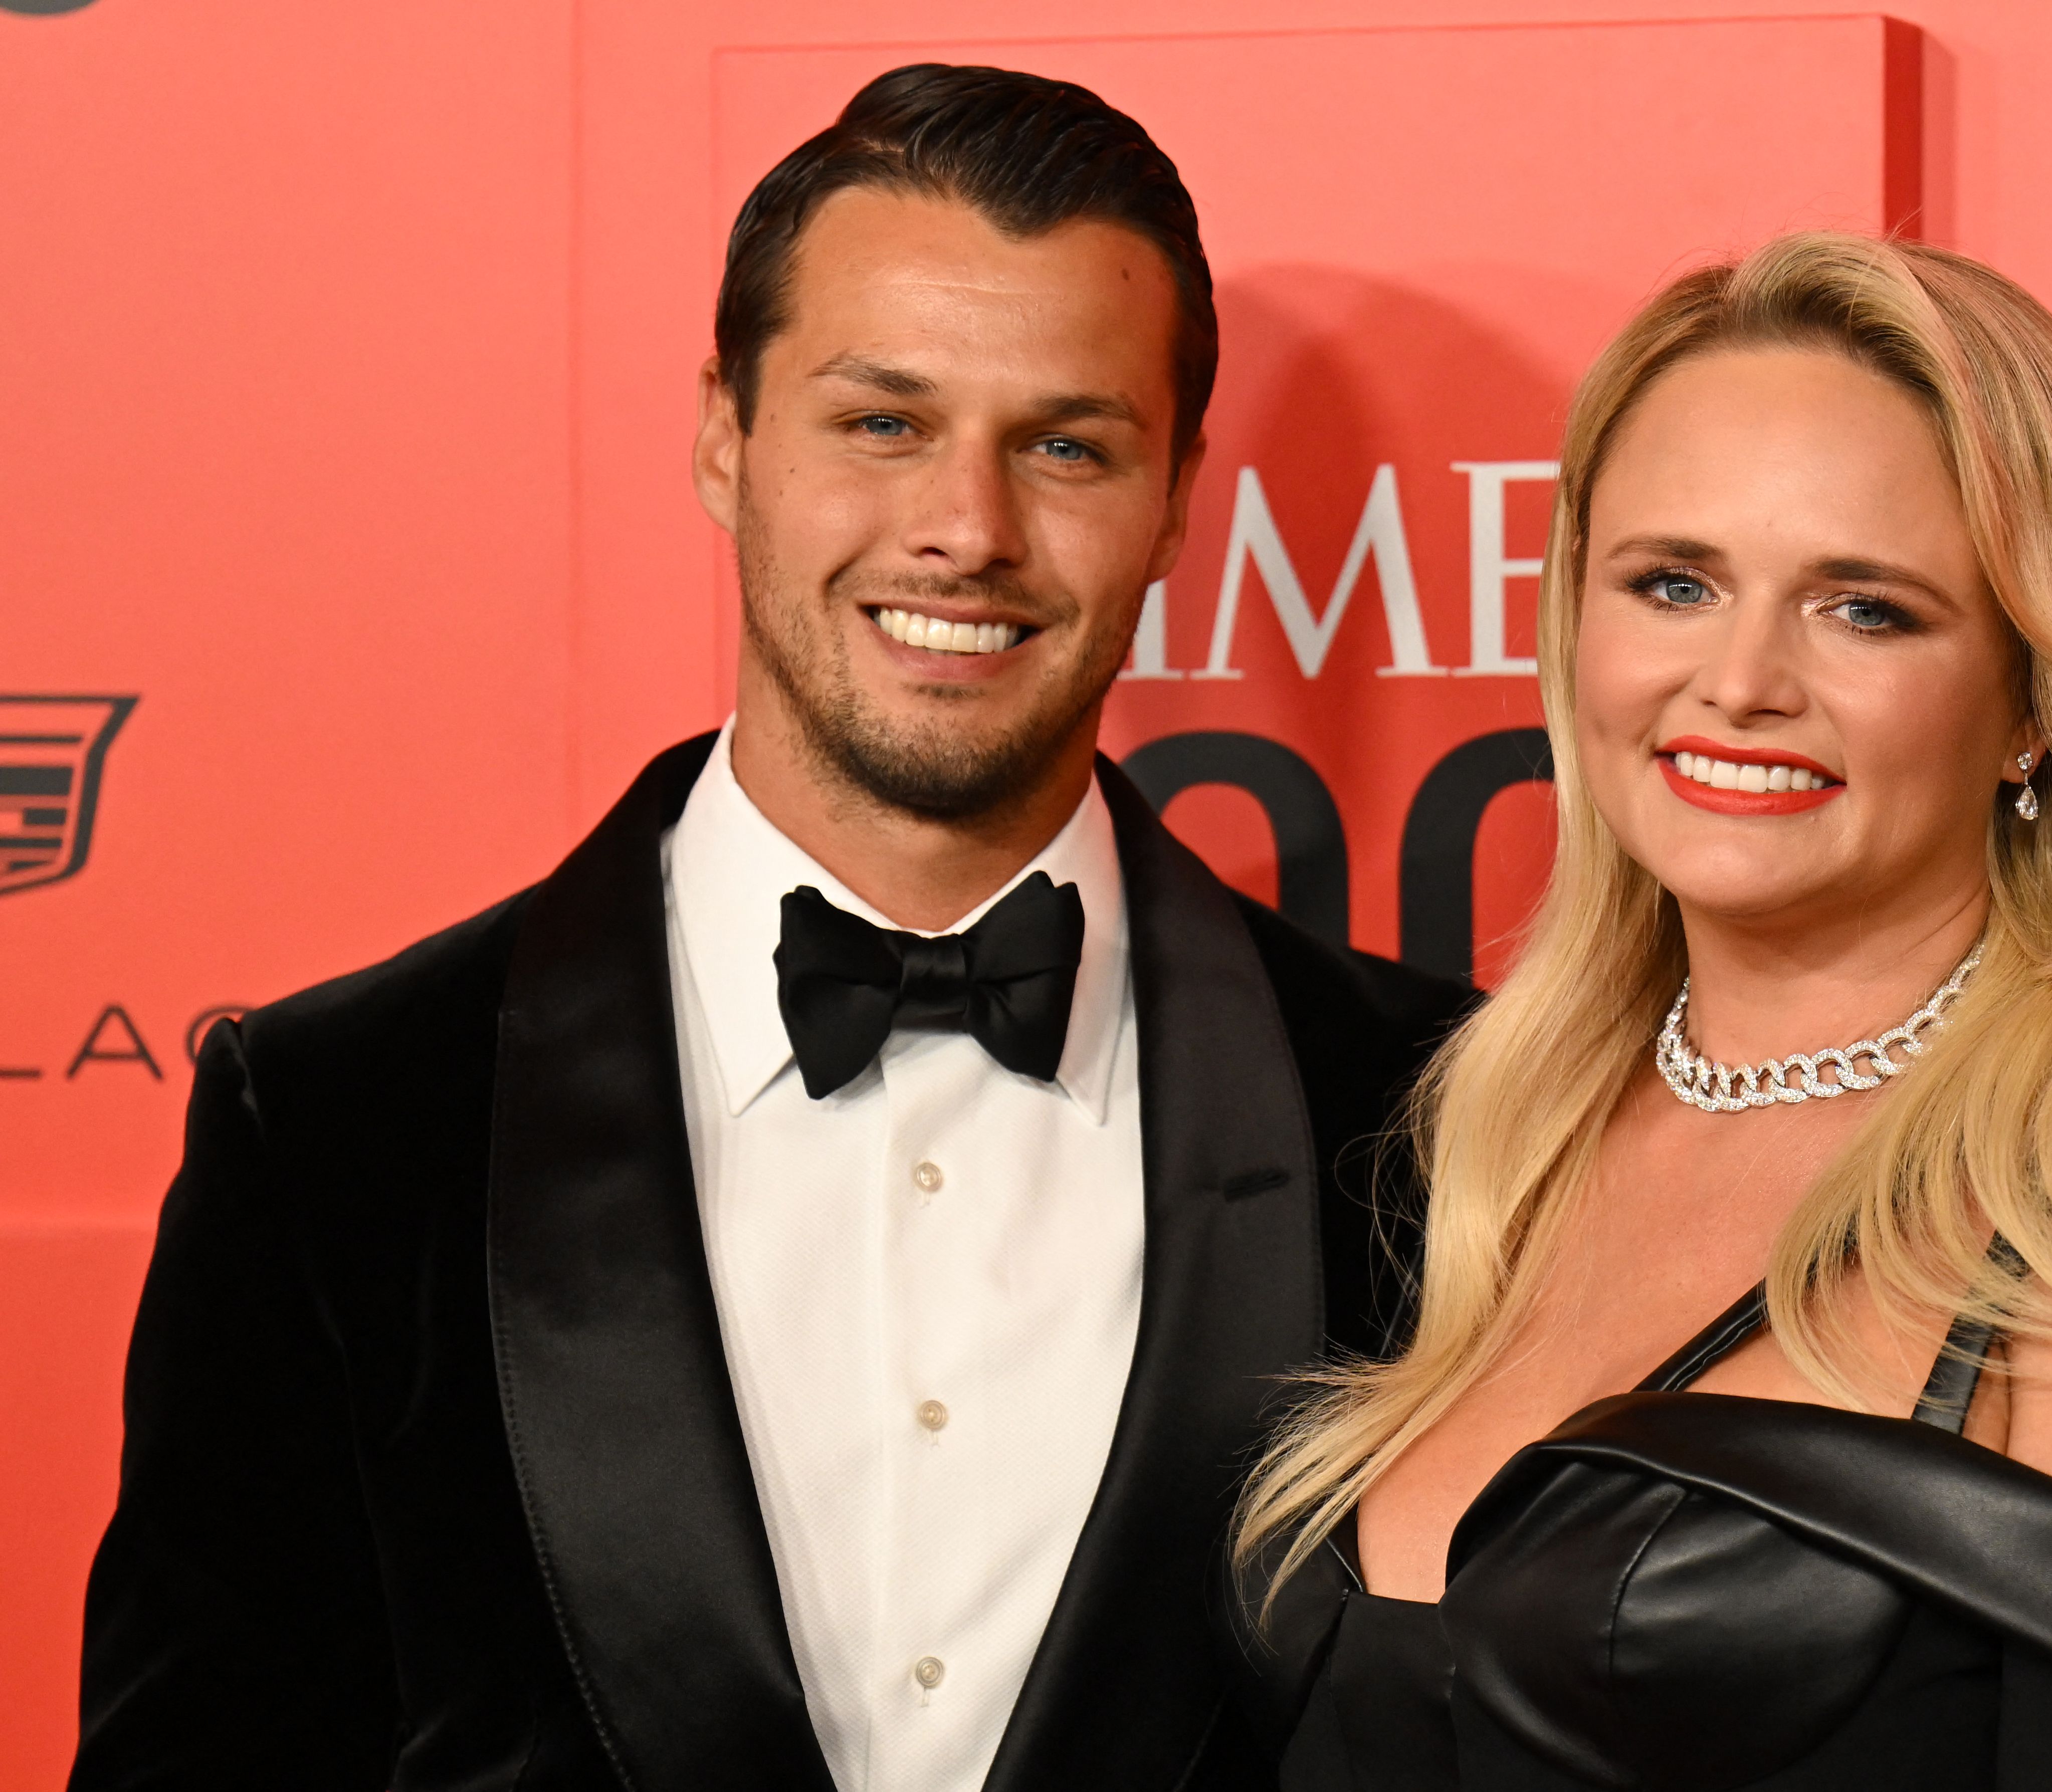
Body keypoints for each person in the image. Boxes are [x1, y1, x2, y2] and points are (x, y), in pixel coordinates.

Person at [74, 65, 1465, 1792]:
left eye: (1066, 444)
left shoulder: (1439, 1115)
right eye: (882, 423)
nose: (968, 528)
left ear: (1179, 495)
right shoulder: (339, 1119)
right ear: (726, 436)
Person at [1227, 234, 2052, 1791]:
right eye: (1672, 583)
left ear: (2032, 706)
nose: (1738, 681)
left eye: (1865, 610)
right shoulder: (1488, 1131)